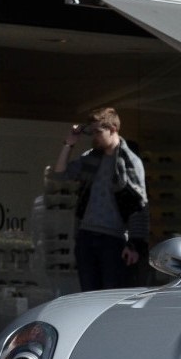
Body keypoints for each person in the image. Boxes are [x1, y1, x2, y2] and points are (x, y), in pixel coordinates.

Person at [51, 107, 147, 291]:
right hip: (86, 236)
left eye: (98, 132)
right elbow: (60, 174)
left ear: (113, 129)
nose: (94, 136)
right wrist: (69, 144)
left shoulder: (129, 162)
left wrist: (135, 245)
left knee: (108, 294)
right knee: (88, 294)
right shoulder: (91, 158)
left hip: (113, 239)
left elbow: (139, 206)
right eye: (92, 132)